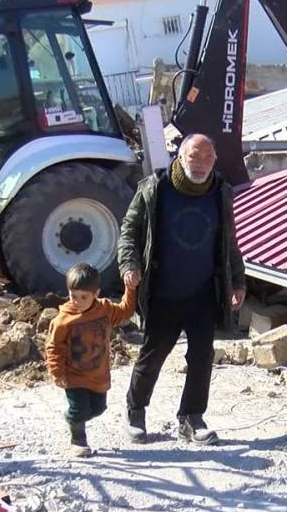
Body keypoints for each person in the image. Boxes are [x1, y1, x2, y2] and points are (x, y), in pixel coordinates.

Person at [117, 134, 247, 446]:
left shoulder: (220, 192)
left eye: (207, 158)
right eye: (194, 157)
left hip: (203, 291)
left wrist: (238, 281)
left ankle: (191, 418)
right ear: (179, 157)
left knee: (202, 356)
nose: (201, 164)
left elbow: (229, 242)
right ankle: (135, 412)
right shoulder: (155, 189)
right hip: (163, 291)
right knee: (153, 356)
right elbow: (129, 230)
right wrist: (129, 265)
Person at [45, 263, 137, 456]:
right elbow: (53, 347)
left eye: (83, 297)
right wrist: (57, 372)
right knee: (80, 410)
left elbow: (126, 311)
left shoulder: (104, 310)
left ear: (96, 293)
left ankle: (75, 417)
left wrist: (130, 288)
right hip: (73, 375)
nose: (77, 301)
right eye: (73, 296)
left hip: (98, 374)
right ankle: (78, 440)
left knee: (98, 408)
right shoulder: (63, 320)